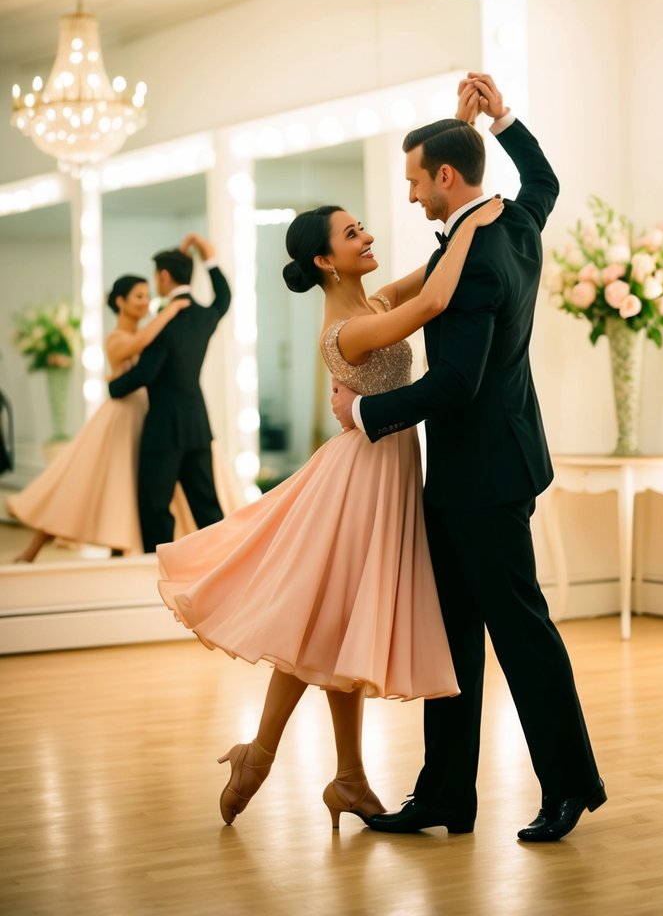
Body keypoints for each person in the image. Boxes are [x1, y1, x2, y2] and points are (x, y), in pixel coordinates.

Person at [154, 192, 503, 829]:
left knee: (336, 626)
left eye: (361, 227)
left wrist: (465, 208)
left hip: (381, 476)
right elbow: (433, 300)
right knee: (320, 623)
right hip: (359, 483)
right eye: (351, 233)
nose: (366, 236)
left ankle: (346, 776)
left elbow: (429, 272)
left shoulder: (374, 304)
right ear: (325, 260)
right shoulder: (349, 329)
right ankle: (261, 759)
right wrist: (477, 219)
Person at [331, 72, 604, 844]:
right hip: (470, 474)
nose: (411, 195)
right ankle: (447, 795)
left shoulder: (479, 255)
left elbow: (455, 383)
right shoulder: (512, 220)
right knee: (449, 643)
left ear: (445, 176)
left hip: (483, 478)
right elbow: (543, 179)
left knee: (521, 637)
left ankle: (569, 787)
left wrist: (365, 412)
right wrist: (496, 119)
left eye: (417, 179)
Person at [9, 270, 237, 562]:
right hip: (121, 417)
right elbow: (140, 342)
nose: (145, 302)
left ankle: (121, 551)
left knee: (132, 488)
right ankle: (34, 549)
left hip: (147, 414)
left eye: (147, 295)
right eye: (138, 296)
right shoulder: (118, 338)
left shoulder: (153, 328)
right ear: (121, 301)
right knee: (84, 484)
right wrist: (170, 311)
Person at [108, 233, 231, 553]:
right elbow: (224, 298)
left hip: (164, 428)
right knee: (207, 507)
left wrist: (113, 387)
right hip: (197, 424)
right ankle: (221, 565)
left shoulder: (167, 320)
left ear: (164, 276)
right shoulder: (205, 315)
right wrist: (210, 258)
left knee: (155, 508)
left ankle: (156, 571)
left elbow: (147, 372)